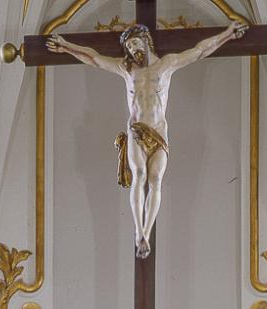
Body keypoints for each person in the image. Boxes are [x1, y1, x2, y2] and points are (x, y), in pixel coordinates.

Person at [46, 20, 248, 257]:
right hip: (136, 130)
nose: (133, 50)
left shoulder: (166, 65)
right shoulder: (127, 70)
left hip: (159, 132)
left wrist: (228, 34)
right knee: (139, 174)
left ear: (146, 41)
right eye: (129, 47)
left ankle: (147, 232)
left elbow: (200, 51)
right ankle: (138, 231)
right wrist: (65, 46)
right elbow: (94, 58)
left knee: (155, 179)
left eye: (135, 43)